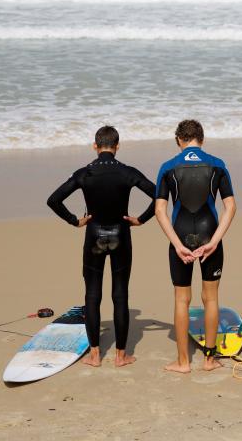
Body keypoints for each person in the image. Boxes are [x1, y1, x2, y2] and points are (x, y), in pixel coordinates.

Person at [46, 125, 155, 368]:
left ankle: (95, 355)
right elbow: (158, 195)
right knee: (120, 295)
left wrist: (75, 220)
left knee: (92, 295)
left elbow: (53, 200)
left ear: (95, 146)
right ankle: (121, 355)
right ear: (117, 146)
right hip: (121, 236)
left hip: (94, 237)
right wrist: (141, 219)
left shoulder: (85, 173)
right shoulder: (127, 172)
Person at [153, 120, 236, 373]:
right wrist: (214, 241)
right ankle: (209, 360)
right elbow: (230, 207)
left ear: (179, 140)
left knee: (182, 299)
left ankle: (183, 362)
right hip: (210, 232)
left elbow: (160, 210)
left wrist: (177, 244)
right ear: (202, 138)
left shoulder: (167, 167)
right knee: (210, 298)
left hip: (180, 234)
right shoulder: (218, 164)